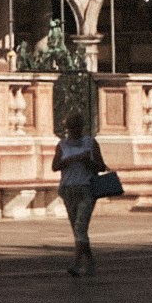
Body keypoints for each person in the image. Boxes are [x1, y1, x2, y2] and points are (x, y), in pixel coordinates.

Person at [54, 113, 121, 271]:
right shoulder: (62, 145)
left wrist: (87, 161)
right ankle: (90, 261)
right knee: (77, 228)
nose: (74, 131)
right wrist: (69, 160)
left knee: (80, 227)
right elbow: (55, 166)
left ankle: (77, 264)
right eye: (72, 128)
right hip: (68, 188)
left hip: (86, 188)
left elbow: (101, 166)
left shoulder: (90, 143)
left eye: (77, 128)